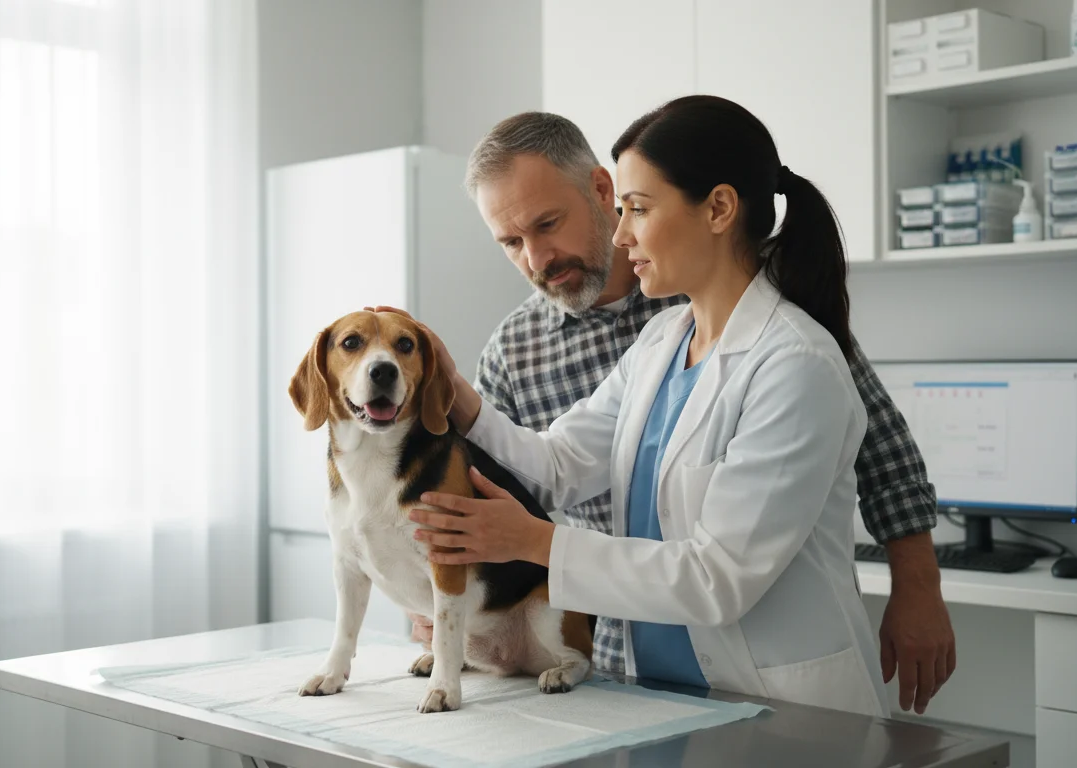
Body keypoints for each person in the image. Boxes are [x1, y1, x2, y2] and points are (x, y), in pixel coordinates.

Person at [397, 99, 953, 714]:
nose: (620, 232)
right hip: (639, 676)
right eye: (510, 241)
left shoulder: (795, 359)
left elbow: (718, 577)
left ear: (718, 209)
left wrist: (537, 542)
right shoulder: (662, 341)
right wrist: (457, 396)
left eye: (635, 209)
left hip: (780, 700)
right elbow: (556, 463)